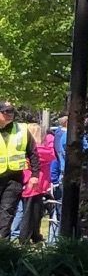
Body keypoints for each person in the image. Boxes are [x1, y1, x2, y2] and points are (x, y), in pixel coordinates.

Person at [0, 102, 31, 240]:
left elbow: (33, 152)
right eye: (5, 112)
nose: (9, 114)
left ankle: (3, 242)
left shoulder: (21, 130)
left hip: (14, 178)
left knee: (7, 211)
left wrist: (35, 175)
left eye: (11, 111)